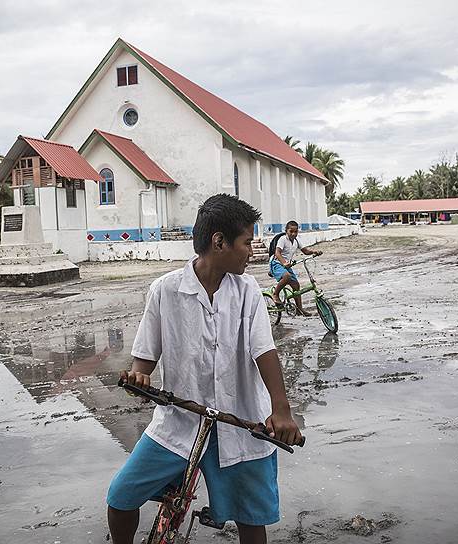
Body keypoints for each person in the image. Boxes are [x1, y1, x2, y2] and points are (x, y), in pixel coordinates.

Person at [106, 194, 303, 544]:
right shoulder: (165, 290)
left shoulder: (248, 292)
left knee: (250, 520)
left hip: (242, 422)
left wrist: (281, 409)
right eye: (246, 241)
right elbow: (144, 360)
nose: (251, 250)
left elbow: (264, 349)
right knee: (121, 498)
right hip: (179, 423)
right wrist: (138, 378)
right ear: (219, 241)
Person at [270, 220, 322, 316]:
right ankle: (275, 294)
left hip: (286, 265)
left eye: (296, 231)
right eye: (291, 231)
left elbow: (305, 251)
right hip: (277, 263)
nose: (293, 234)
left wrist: (315, 251)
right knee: (287, 276)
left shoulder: (296, 241)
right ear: (286, 231)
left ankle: (299, 309)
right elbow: (277, 253)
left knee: (296, 286)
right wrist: (284, 263)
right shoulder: (282, 239)